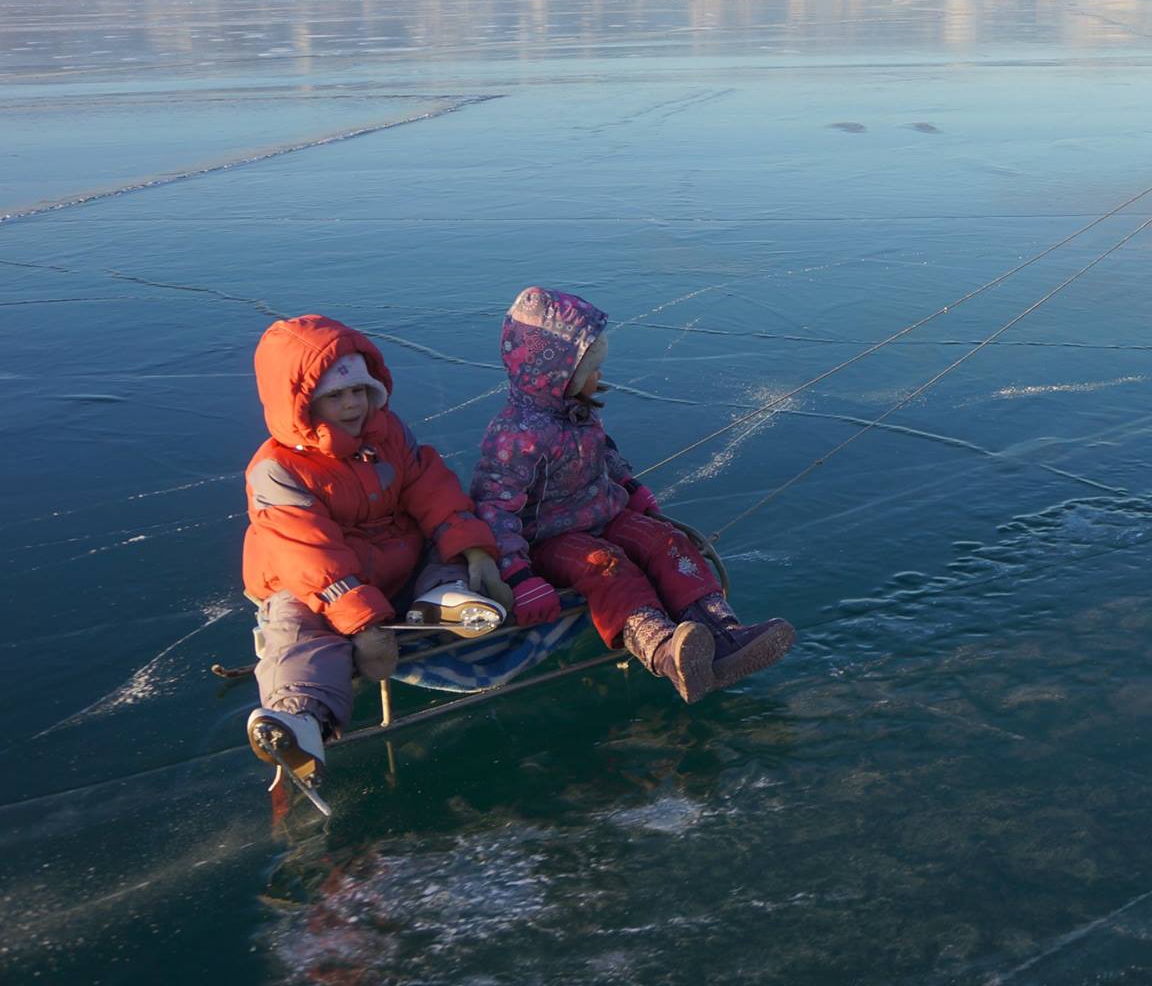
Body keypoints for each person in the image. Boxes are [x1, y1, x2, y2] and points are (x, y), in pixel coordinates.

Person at [241, 315, 522, 798]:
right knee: (294, 625)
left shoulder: (388, 432)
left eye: (360, 391)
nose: (352, 404)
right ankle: (300, 719)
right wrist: (365, 628)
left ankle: (444, 596)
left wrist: (477, 554)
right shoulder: (277, 471)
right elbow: (312, 557)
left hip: (394, 559)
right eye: (336, 395)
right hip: (318, 585)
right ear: (302, 404)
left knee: (442, 540)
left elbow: (431, 490)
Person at [470, 286, 794, 705]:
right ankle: (664, 651)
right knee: (606, 566)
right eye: (591, 370)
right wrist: (518, 576)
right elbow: (494, 508)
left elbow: (609, 460)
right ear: (558, 374)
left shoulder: (577, 413)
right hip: (549, 537)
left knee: (665, 540)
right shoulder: (516, 436)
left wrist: (637, 497)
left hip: (604, 512)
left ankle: (724, 633)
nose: (599, 377)